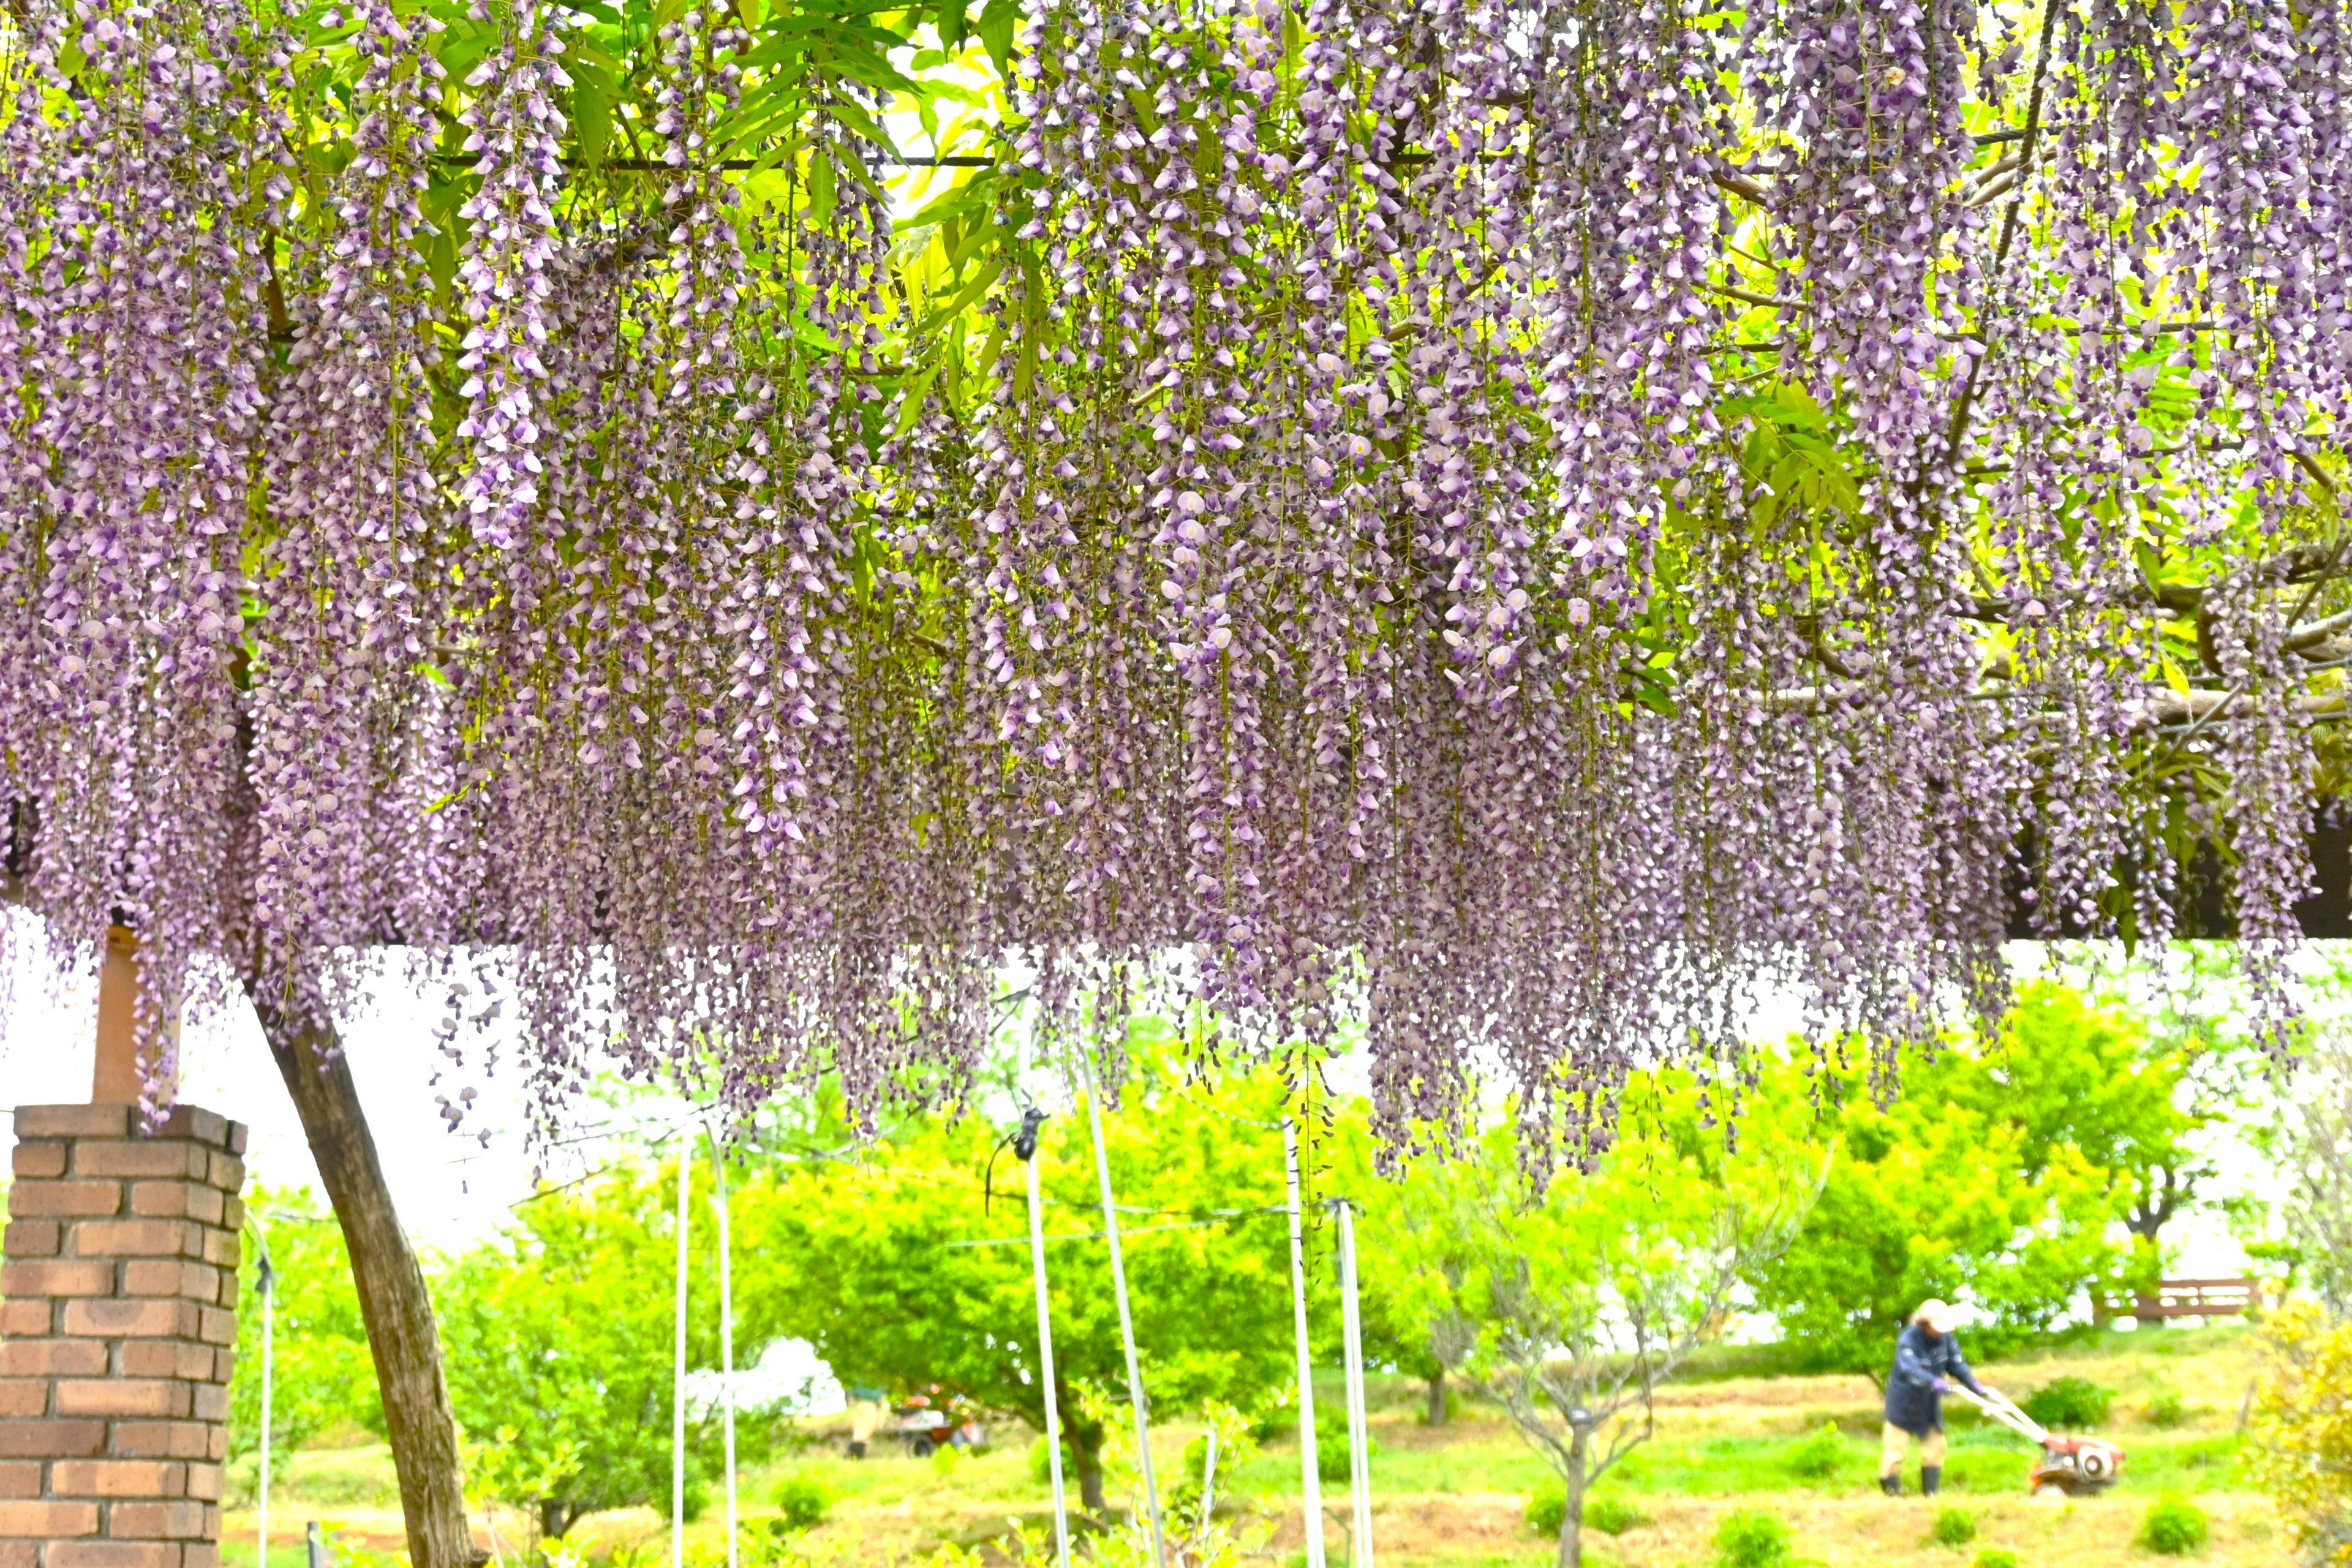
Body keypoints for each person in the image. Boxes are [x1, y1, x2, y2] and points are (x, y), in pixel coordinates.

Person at [1880, 1299, 1994, 1496]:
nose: (1940, 1332)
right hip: (1903, 1404)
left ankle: (1930, 1495)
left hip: (1928, 1404)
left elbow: (1956, 1364)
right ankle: (1892, 1495)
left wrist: (1973, 1384)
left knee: (1936, 1447)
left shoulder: (1947, 1339)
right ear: (1924, 1324)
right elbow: (1910, 1369)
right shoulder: (1908, 1340)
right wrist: (1933, 1381)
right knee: (1895, 1453)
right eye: (1936, 1328)